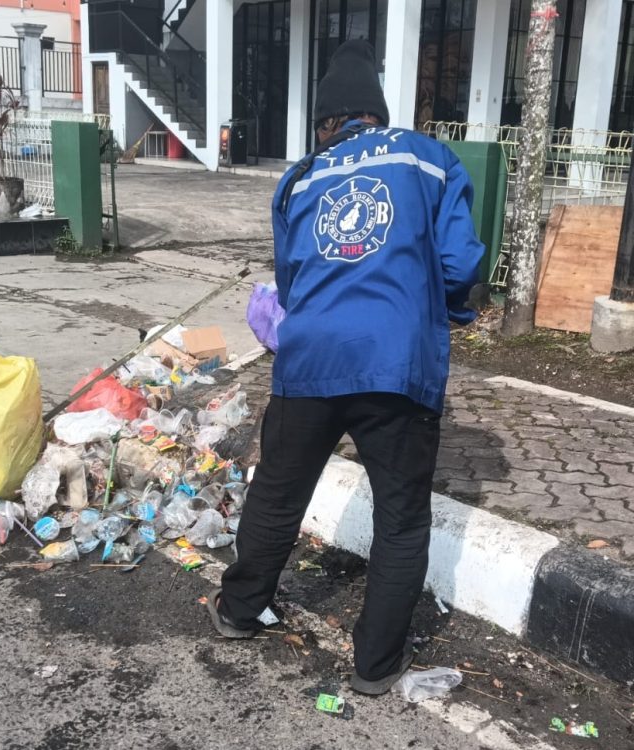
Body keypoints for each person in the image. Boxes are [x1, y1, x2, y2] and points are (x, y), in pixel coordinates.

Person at [207, 39, 484, 696]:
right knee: (401, 516)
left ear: (326, 123)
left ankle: (240, 612)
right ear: (376, 114)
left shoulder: (300, 177)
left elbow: (292, 282)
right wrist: (446, 310)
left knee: (277, 493)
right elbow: (460, 265)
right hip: (397, 362)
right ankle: (375, 665)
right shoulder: (428, 158)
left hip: (310, 359)